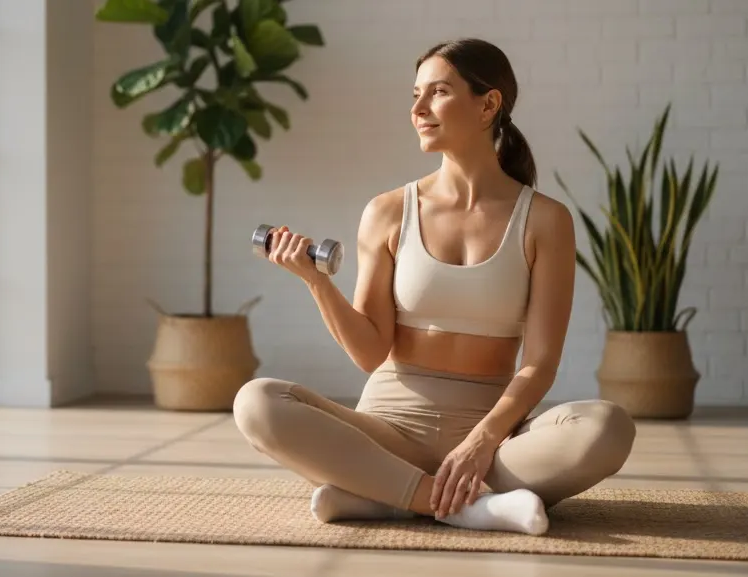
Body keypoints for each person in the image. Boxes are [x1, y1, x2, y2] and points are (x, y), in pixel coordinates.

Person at [232, 38, 637, 536]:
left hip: (494, 442)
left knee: (608, 427)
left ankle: (386, 495)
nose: (418, 109)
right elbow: (368, 351)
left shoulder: (545, 221)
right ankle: (465, 506)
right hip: (386, 433)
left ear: (488, 104)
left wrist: (482, 441)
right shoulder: (388, 212)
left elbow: (540, 363)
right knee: (257, 401)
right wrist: (316, 282)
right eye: (415, 95)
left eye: (438, 92)